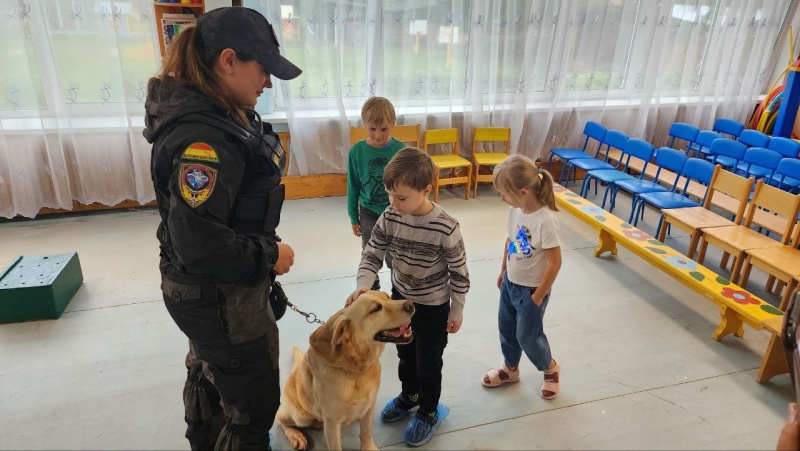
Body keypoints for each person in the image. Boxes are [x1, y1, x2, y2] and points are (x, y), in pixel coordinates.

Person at [143, 7, 301, 450]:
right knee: (252, 407)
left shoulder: (218, 112)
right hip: (217, 294)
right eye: (263, 69)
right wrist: (270, 256)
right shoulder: (205, 140)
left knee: (211, 375)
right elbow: (202, 243)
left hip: (204, 292)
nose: (268, 82)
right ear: (228, 61)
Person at [345, 147, 470, 447]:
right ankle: (409, 395)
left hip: (433, 306)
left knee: (428, 359)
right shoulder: (390, 215)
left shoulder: (446, 226)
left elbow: (460, 275)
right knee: (404, 353)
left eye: (401, 197)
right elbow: (372, 252)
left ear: (426, 190)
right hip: (400, 301)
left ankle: (428, 411)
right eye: (390, 195)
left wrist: (457, 311)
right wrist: (364, 284)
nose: (393, 203)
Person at [481, 155, 562, 401]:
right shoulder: (515, 211)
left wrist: (537, 298)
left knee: (528, 336)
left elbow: (555, 262)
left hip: (531, 291)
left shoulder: (545, 221)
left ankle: (550, 368)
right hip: (510, 283)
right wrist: (503, 269)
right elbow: (511, 241)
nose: (502, 198)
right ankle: (510, 369)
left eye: (505, 193)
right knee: (506, 328)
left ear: (524, 192)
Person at [347, 96, 407, 293]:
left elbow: (409, 187)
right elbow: (353, 186)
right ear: (364, 124)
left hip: (396, 212)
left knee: (395, 254)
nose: (378, 135)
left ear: (393, 124)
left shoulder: (401, 151)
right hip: (368, 212)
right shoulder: (357, 151)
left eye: (384, 129)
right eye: (372, 129)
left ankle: (398, 288)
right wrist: (353, 216)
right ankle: (370, 288)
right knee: (369, 251)